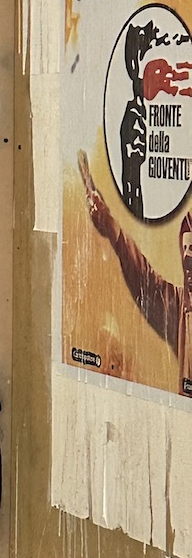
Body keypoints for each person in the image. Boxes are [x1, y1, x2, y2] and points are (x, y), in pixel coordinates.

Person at [79, 149, 192, 394]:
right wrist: (110, 226)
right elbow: (144, 279)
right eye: (186, 251)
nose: (189, 260)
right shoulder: (180, 305)